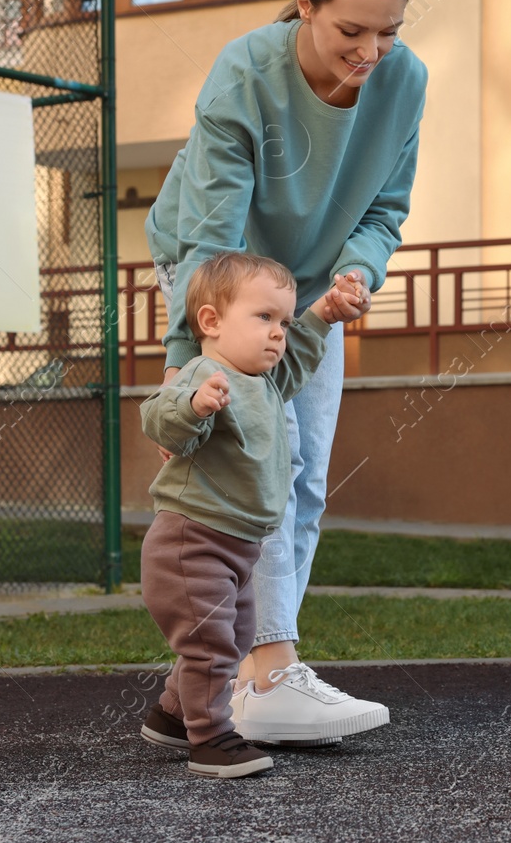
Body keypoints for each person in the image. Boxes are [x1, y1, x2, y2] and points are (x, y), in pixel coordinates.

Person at [144, 0, 426, 744]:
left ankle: (206, 686)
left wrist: (359, 271)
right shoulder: (245, 72)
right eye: (351, 30)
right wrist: (183, 375)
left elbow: (385, 207)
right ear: (304, 6)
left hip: (310, 283)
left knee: (303, 479)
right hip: (217, 265)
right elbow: (213, 239)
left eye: (389, 30)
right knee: (265, 449)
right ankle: (269, 666)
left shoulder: (404, 81)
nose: (371, 50)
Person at [137, 252, 382, 778]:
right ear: (211, 322)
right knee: (213, 647)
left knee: (233, 633)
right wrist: (194, 406)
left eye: (285, 322)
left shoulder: (265, 382)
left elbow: (298, 362)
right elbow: (157, 417)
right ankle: (212, 740)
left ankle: (172, 716)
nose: (278, 333)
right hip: (190, 542)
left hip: (236, 547)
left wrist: (321, 317)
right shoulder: (207, 374)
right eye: (264, 318)